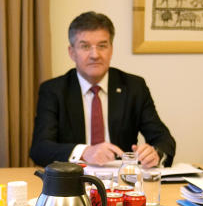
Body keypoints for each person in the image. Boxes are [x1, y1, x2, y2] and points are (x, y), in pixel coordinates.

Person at [29, 11, 176, 168]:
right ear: (72, 52)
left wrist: (155, 153)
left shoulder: (133, 87)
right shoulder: (54, 90)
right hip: (73, 180)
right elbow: (40, 149)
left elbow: (164, 139)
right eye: (85, 46)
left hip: (122, 182)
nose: (95, 55)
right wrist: (85, 152)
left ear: (111, 49)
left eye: (102, 46)